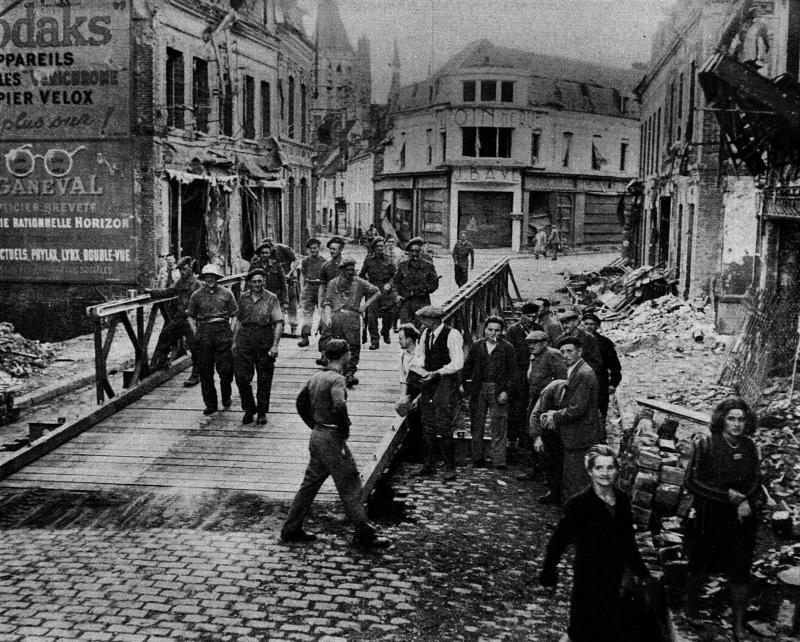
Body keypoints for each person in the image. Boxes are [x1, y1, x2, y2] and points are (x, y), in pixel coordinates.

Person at [281, 339, 390, 549]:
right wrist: (344, 429)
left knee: (309, 485)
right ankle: (364, 534)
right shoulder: (337, 380)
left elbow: (300, 402)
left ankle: (291, 528)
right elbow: (339, 404)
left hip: (318, 435)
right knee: (350, 485)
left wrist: (314, 424)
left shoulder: (316, 377)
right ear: (344, 356)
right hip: (332, 438)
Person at [540, 445, 652, 642]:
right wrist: (549, 570)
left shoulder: (622, 500)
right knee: (580, 630)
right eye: (599, 468)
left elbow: (628, 541)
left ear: (617, 470)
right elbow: (559, 540)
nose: (605, 473)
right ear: (590, 471)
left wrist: (642, 573)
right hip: (588, 579)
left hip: (614, 577)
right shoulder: (579, 504)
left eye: (610, 468)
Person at [684, 398, 761, 640]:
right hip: (711, 516)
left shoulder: (749, 447)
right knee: (700, 564)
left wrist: (746, 500)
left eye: (741, 419)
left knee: (740, 570)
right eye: (731, 419)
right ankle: (691, 607)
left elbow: (757, 481)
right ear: (722, 420)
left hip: (740, 520)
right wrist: (727, 496)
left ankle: (738, 623)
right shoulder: (707, 444)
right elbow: (691, 481)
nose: (737, 424)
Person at [539, 336, 601, 500]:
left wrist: (555, 415)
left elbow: (577, 409)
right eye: (563, 352)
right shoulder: (577, 370)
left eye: (569, 351)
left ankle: (572, 521)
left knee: (575, 481)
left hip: (580, 434)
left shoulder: (583, 373)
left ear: (579, 351)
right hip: (576, 433)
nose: (565, 355)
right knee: (571, 478)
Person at [415, 305, 463, 481]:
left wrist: (437, 372)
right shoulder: (425, 334)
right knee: (426, 422)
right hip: (429, 380)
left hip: (446, 380)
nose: (422, 322)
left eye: (424, 319)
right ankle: (429, 464)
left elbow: (458, 363)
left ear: (433, 320)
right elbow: (421, 356)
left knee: (443, 422)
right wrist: (421, 369)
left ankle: (450, 467)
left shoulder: (452, 335)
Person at [462, 316, 516, 469]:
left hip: (498, 389)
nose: (494, 333)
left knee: (498, 424)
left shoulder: (507, 348)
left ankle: (498, 461)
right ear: (484, 329)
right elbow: (468, 367)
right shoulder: (477, 346)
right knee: (476, 424)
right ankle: (477, 458)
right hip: (479, 388)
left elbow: (513, 373)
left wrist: (506, 391)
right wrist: (462, 384)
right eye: (490, 329)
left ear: (502, 331)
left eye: (497, 330)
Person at [516, 330, 568, 487]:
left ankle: (549, 474)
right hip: (536, 398)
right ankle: (536, 469)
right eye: (529, 343)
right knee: (533, 432)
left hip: (548, 402)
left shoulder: (553, 355)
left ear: (545, 342)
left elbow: (561, 380)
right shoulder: (535, 356)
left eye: (535, 343)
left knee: (546, 437)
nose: (531, 346)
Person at [233, 268, 284, 426]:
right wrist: (234, 342)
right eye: (254, 281)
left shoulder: (271, 298)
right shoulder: (243, 298)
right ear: (249, 283)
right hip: (245, 339)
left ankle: (262, 412)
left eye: (260, 281)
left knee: (264, 378)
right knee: (241, 377)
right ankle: (249, 408)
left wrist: (275, 345)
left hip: (264, 339)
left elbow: (278, 323)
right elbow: (239, 321)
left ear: (264, 281)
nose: (257, 284)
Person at [322, 257, 382, 388]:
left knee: (354, 346)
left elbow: (377, 292)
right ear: (342, 270)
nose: (351, 272)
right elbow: (327, 302)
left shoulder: (359, 282)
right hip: (337, 316)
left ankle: (350, 373)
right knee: (336, 345)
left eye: (352, 270)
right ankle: (336, 372)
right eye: (348, 270)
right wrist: (327, 318)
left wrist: (364, 306)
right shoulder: (333, 283)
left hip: (353, 316)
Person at [186, 264, 237, 415]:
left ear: (217, 278)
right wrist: (196, 332)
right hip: (205, 332)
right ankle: (211, 404)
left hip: (222, 330)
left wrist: (231, 329)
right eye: (207, 277)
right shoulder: (196, 295)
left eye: (213, 276)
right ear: (203, 278)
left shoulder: (227, 293)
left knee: (226, 369)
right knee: (205, 370)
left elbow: (235, 314)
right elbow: (190, 316)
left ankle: (226, 396)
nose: (210, 279)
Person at [147, 256, 201, 387]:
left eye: (185, 269)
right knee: (165, 335)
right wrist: (153, 293)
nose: (182, 272)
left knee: (195, 347)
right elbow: (170, 291)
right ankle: (163, 362)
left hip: (191, 319)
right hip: (180, 317)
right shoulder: (181, 282)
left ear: (191, 269)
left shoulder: (197, 284)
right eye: (181, 270)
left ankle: (196, 375)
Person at [504, 302, 544, 452]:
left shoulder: (539, 329)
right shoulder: (513, 331)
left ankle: (526, 439)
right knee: (516, 407)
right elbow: (508, 354)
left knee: (532, 405)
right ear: (522, 316)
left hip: (535, 371)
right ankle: (512, 440)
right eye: (528, 316)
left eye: (534, 316)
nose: (531, 319)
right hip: (518, 373)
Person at [529, 378, 568, 503]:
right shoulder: (550, 390)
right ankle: (553, 491)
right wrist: (537, 437)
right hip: (550, 429)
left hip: (569, 429)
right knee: (551, 460)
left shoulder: (579, 391)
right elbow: (535, 414)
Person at [581, 312, 622, 426]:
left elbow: (615, 366)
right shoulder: (577, 341)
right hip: (581, 382)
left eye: (592, 324)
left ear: (597, 326)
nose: (588, 326)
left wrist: (613, 383)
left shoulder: (605, 343)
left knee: (600, 412)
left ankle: (600, 438)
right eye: (586, 323)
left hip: (600, 382)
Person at [359, 236, 397, 350]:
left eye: (382, 246)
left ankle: (385, 331)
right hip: (373, 290)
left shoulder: (389, 259)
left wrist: (389, 284)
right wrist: (366, 285)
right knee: (371, 316)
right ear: (374, 248)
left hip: (386, 290)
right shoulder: (369, 260)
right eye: (378, 246)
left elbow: (395, 275)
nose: (380, 248)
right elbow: (362, 274)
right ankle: (374, 340)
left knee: (389, 314)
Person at [392, 237, 439, 326]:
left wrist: (425, 290)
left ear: (420, 252)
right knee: (405, 328)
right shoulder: (403, 266)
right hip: (406, 302)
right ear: (409, 252)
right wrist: (397, 295)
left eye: (417, 251)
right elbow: (395, 282)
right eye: (412, 251)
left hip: (422, 301)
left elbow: (434, 283)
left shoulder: (428, 266)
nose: (414, 254)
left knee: (421, 327)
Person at [315, 236, 345, 364]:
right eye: (330, 249)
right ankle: (324, 355)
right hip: (329, 302)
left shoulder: (346, 265)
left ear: (341, 249)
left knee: (342, 330)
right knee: (326, 328)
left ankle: (341, 359)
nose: (332, 251)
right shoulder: (325, 266)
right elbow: (322, 285)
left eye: (334, 249)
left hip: (343, 302)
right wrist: (320, 302)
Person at [297, 238, 326, 347]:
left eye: (315, 248)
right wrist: (302, 289)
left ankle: (324, 336)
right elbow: (302, 275)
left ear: (319, 248)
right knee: (307, 313)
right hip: (309, 287)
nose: (313, 250)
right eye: (311, 248)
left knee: (322, 312)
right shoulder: (305, 261)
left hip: (320, 287)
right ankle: (305, 337)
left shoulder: (324, 262)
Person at [248, 240, 288, 314]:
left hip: (275, 298)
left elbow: (283, 284)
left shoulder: (276, 265)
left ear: (270, 254)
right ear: (259, 254)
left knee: (277, 320)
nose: (264, 255)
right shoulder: (254, 265)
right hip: (258, 298)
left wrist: (285, 301)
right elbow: (248, 283)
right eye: (262, 253)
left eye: (266, 253)